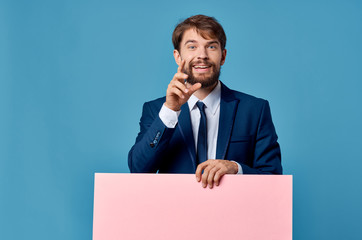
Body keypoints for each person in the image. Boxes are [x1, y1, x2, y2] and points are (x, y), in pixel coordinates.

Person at [128, 15, 282, 188]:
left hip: (234, 213)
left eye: (211, 46)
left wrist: (236, 168)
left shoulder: (255, 110)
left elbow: (274, 180)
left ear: (223, 56)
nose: (202, 55)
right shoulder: (156, 110)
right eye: (192, 47)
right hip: (176, 213)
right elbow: (138, 170)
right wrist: (170, 111)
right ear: (178, 57)